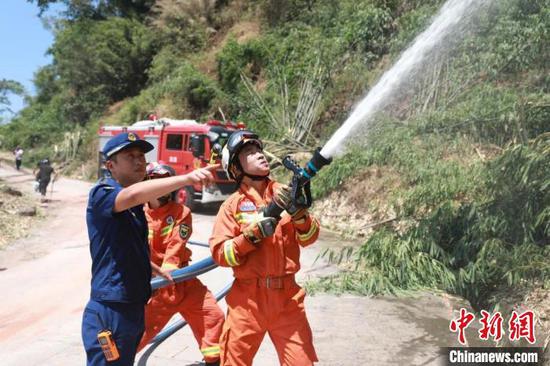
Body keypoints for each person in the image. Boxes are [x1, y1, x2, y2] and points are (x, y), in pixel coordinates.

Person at [82, 132, 217, 366]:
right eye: (130, 155)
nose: (139, 161)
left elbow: (128, 245)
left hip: (136, 302)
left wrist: (151, 266)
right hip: (112, 308)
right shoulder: (102, 193)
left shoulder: (138, 209)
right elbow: (131, 194)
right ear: (110, 165)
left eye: (142, 156)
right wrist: (187, 178)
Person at [209, 131, 320, 366]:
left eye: (258, 149)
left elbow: (309, 237)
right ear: (236, 168)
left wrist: (300, 215)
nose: (258, 154)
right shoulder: (232, 207)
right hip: (248, 302)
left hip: (287, 300)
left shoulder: (284, 193)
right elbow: (220, 253)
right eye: (249, 152)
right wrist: (250, 236)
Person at [137, 162, 224, 365]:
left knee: (213, 317)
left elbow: (175, 250)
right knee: (136, 335)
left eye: (165, 182)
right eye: (155, 182)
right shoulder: (138, 215)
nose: (161, 187)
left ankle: (214, 360)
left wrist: (170, 275)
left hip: (183, 282)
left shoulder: (180, 212)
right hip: (155, 289)